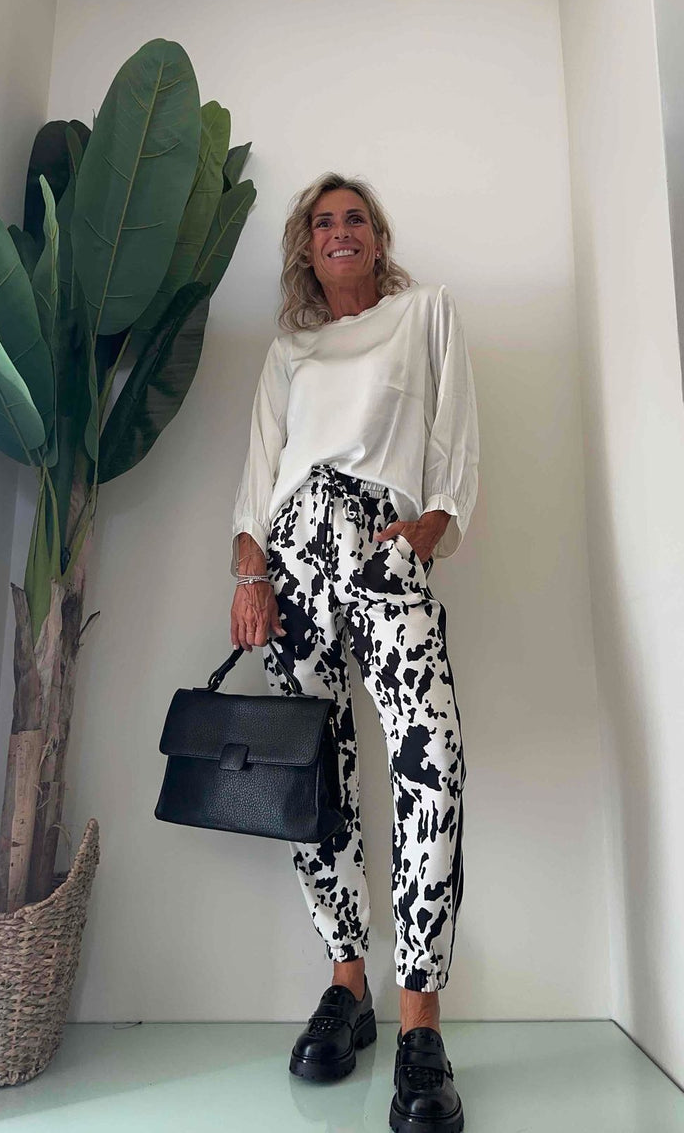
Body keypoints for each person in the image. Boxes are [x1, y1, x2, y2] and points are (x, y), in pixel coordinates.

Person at [229, 172, 479, 1133]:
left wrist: (429, 529)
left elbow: (455, 436)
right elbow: (258, 471)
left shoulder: (427, 313)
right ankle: (348, 983)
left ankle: (421, 1020)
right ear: (307, 245)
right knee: (310, 769)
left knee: (430, 759)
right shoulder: (289, 349)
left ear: (378, 238)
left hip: (383, 542)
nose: (341, 231)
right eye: (324, 221)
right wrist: (250, 570)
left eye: (356, 218)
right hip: (292, 558)